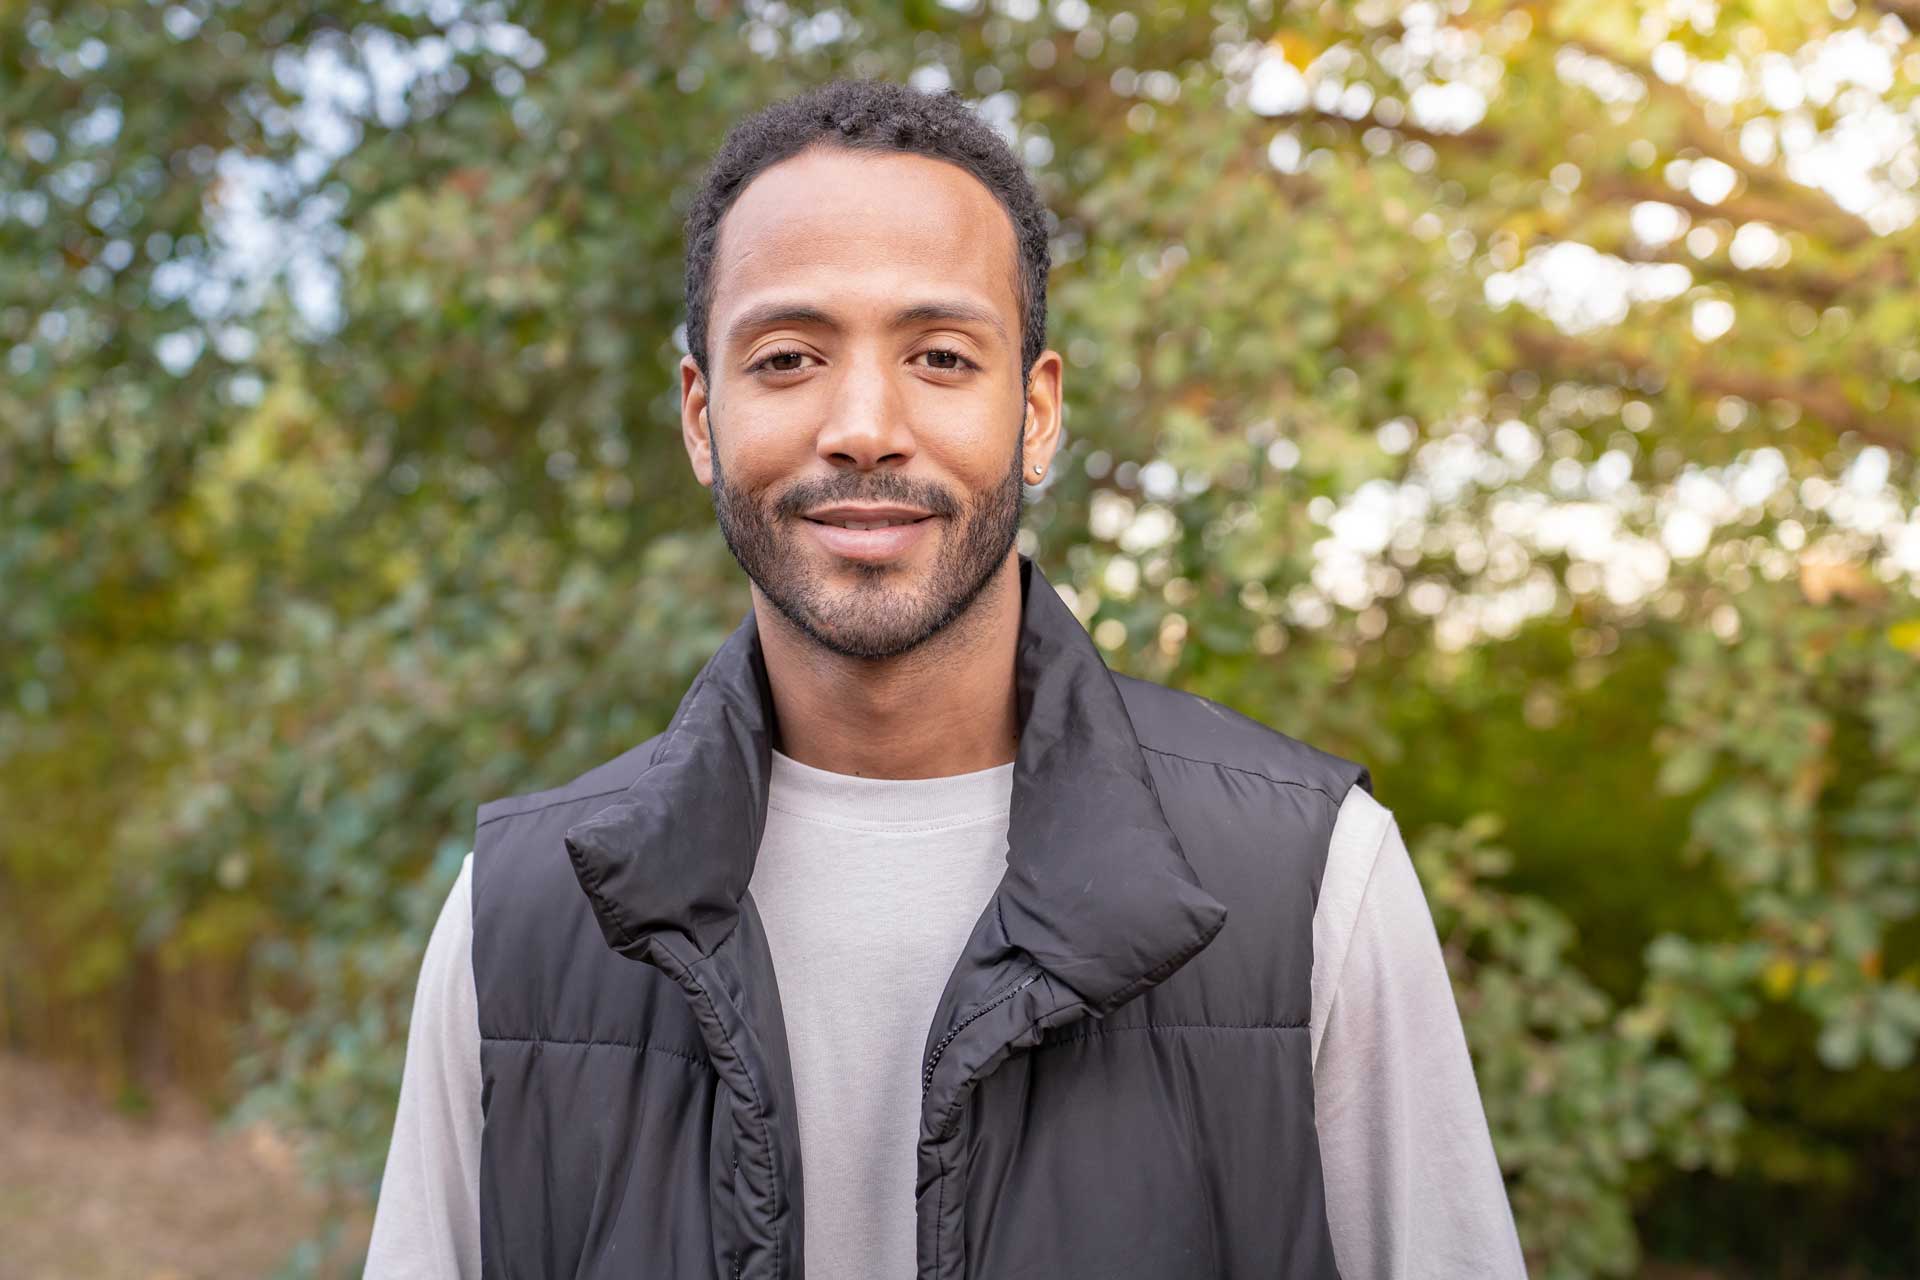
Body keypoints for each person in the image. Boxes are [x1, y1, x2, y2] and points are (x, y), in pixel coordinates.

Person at [366, 78, 1527, 1279]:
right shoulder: (513, 920)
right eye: (787, 356)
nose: (863, 424)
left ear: (1034, 412)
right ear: (700, 417)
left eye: (938, 354)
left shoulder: (1314, 881)